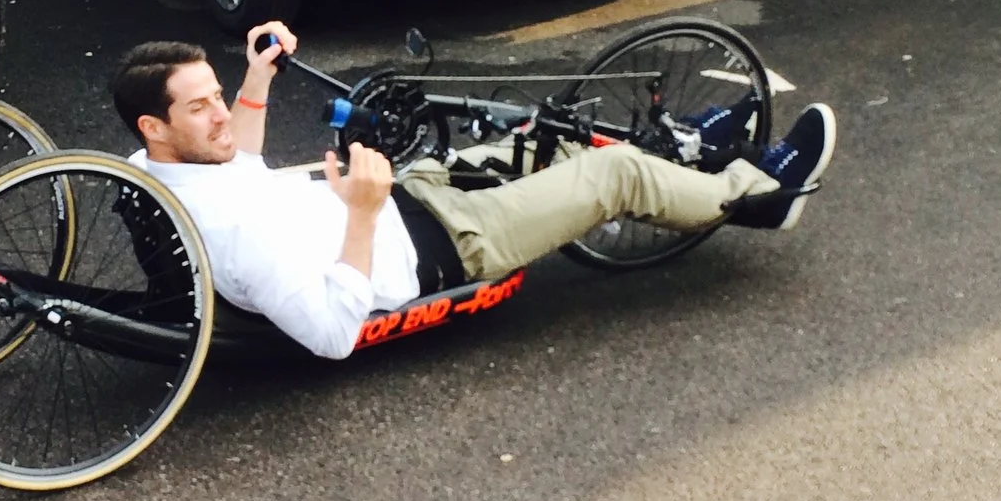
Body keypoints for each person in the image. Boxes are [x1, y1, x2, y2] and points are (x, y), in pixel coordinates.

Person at [112, 23, 836, 360]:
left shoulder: (156, 169)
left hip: (411, 196)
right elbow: (331, 337)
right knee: (611, 175)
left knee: (548, 132)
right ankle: (762, 190)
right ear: (156, 123)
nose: (219, 115)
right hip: (448, 243)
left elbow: (236, 159)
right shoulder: (233, 236)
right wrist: (361, 213)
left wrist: (256, 81)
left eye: (216, 96)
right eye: (201, 105)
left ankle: (700, 147)